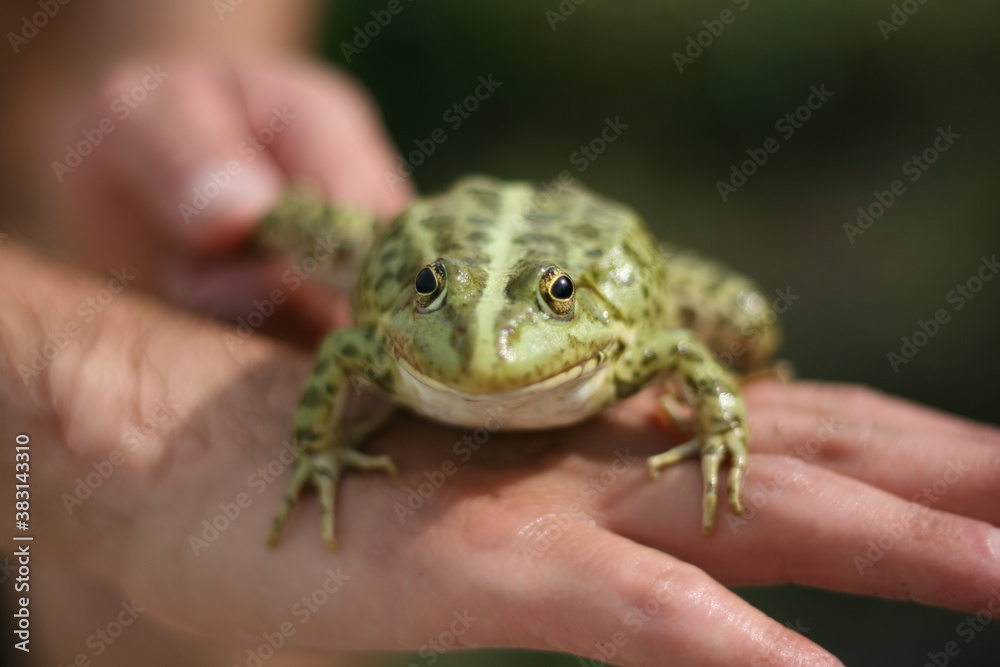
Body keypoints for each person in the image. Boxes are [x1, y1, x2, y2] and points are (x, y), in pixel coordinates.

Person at [1, 3, 998, 666]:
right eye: (435, 299)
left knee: (739, 316)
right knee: (307, 232)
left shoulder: (629, 349)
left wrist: (721, 420)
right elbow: (349, 349)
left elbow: (687, 358)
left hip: (585, 249)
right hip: (441, 238)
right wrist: (309, 442)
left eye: (547, 302)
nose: (483, 346)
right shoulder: (385, 342)